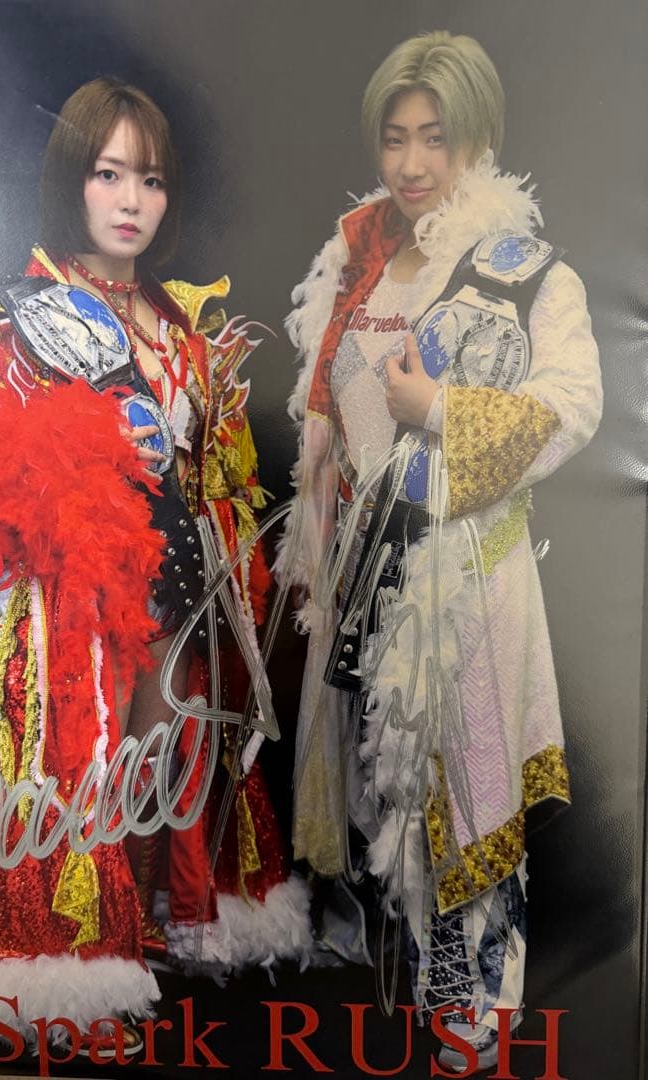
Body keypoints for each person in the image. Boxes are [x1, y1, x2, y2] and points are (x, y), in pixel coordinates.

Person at [0, 78, 309, 1058]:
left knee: (164, 771)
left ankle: (154, 938)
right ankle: (76, 988)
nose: (131, 200)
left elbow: (217, 473)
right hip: (77, 610)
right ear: (71, 181)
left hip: (179, 599)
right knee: (86, 780)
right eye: (109, 173)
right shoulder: (19, 318)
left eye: (151, 180)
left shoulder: (182, 325)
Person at [278, 31, 601, 1072]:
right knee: (386, 801)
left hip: (463, 583)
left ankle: (473, 1018)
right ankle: (403, 990)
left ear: (480, 140)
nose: (413, 162)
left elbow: (574, 405)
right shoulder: (357, 259)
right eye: (395, 137)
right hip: (365, 581)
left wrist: (441, 410)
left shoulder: (528, 274)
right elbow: (332, 424)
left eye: (437, 138)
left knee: (463, 799)